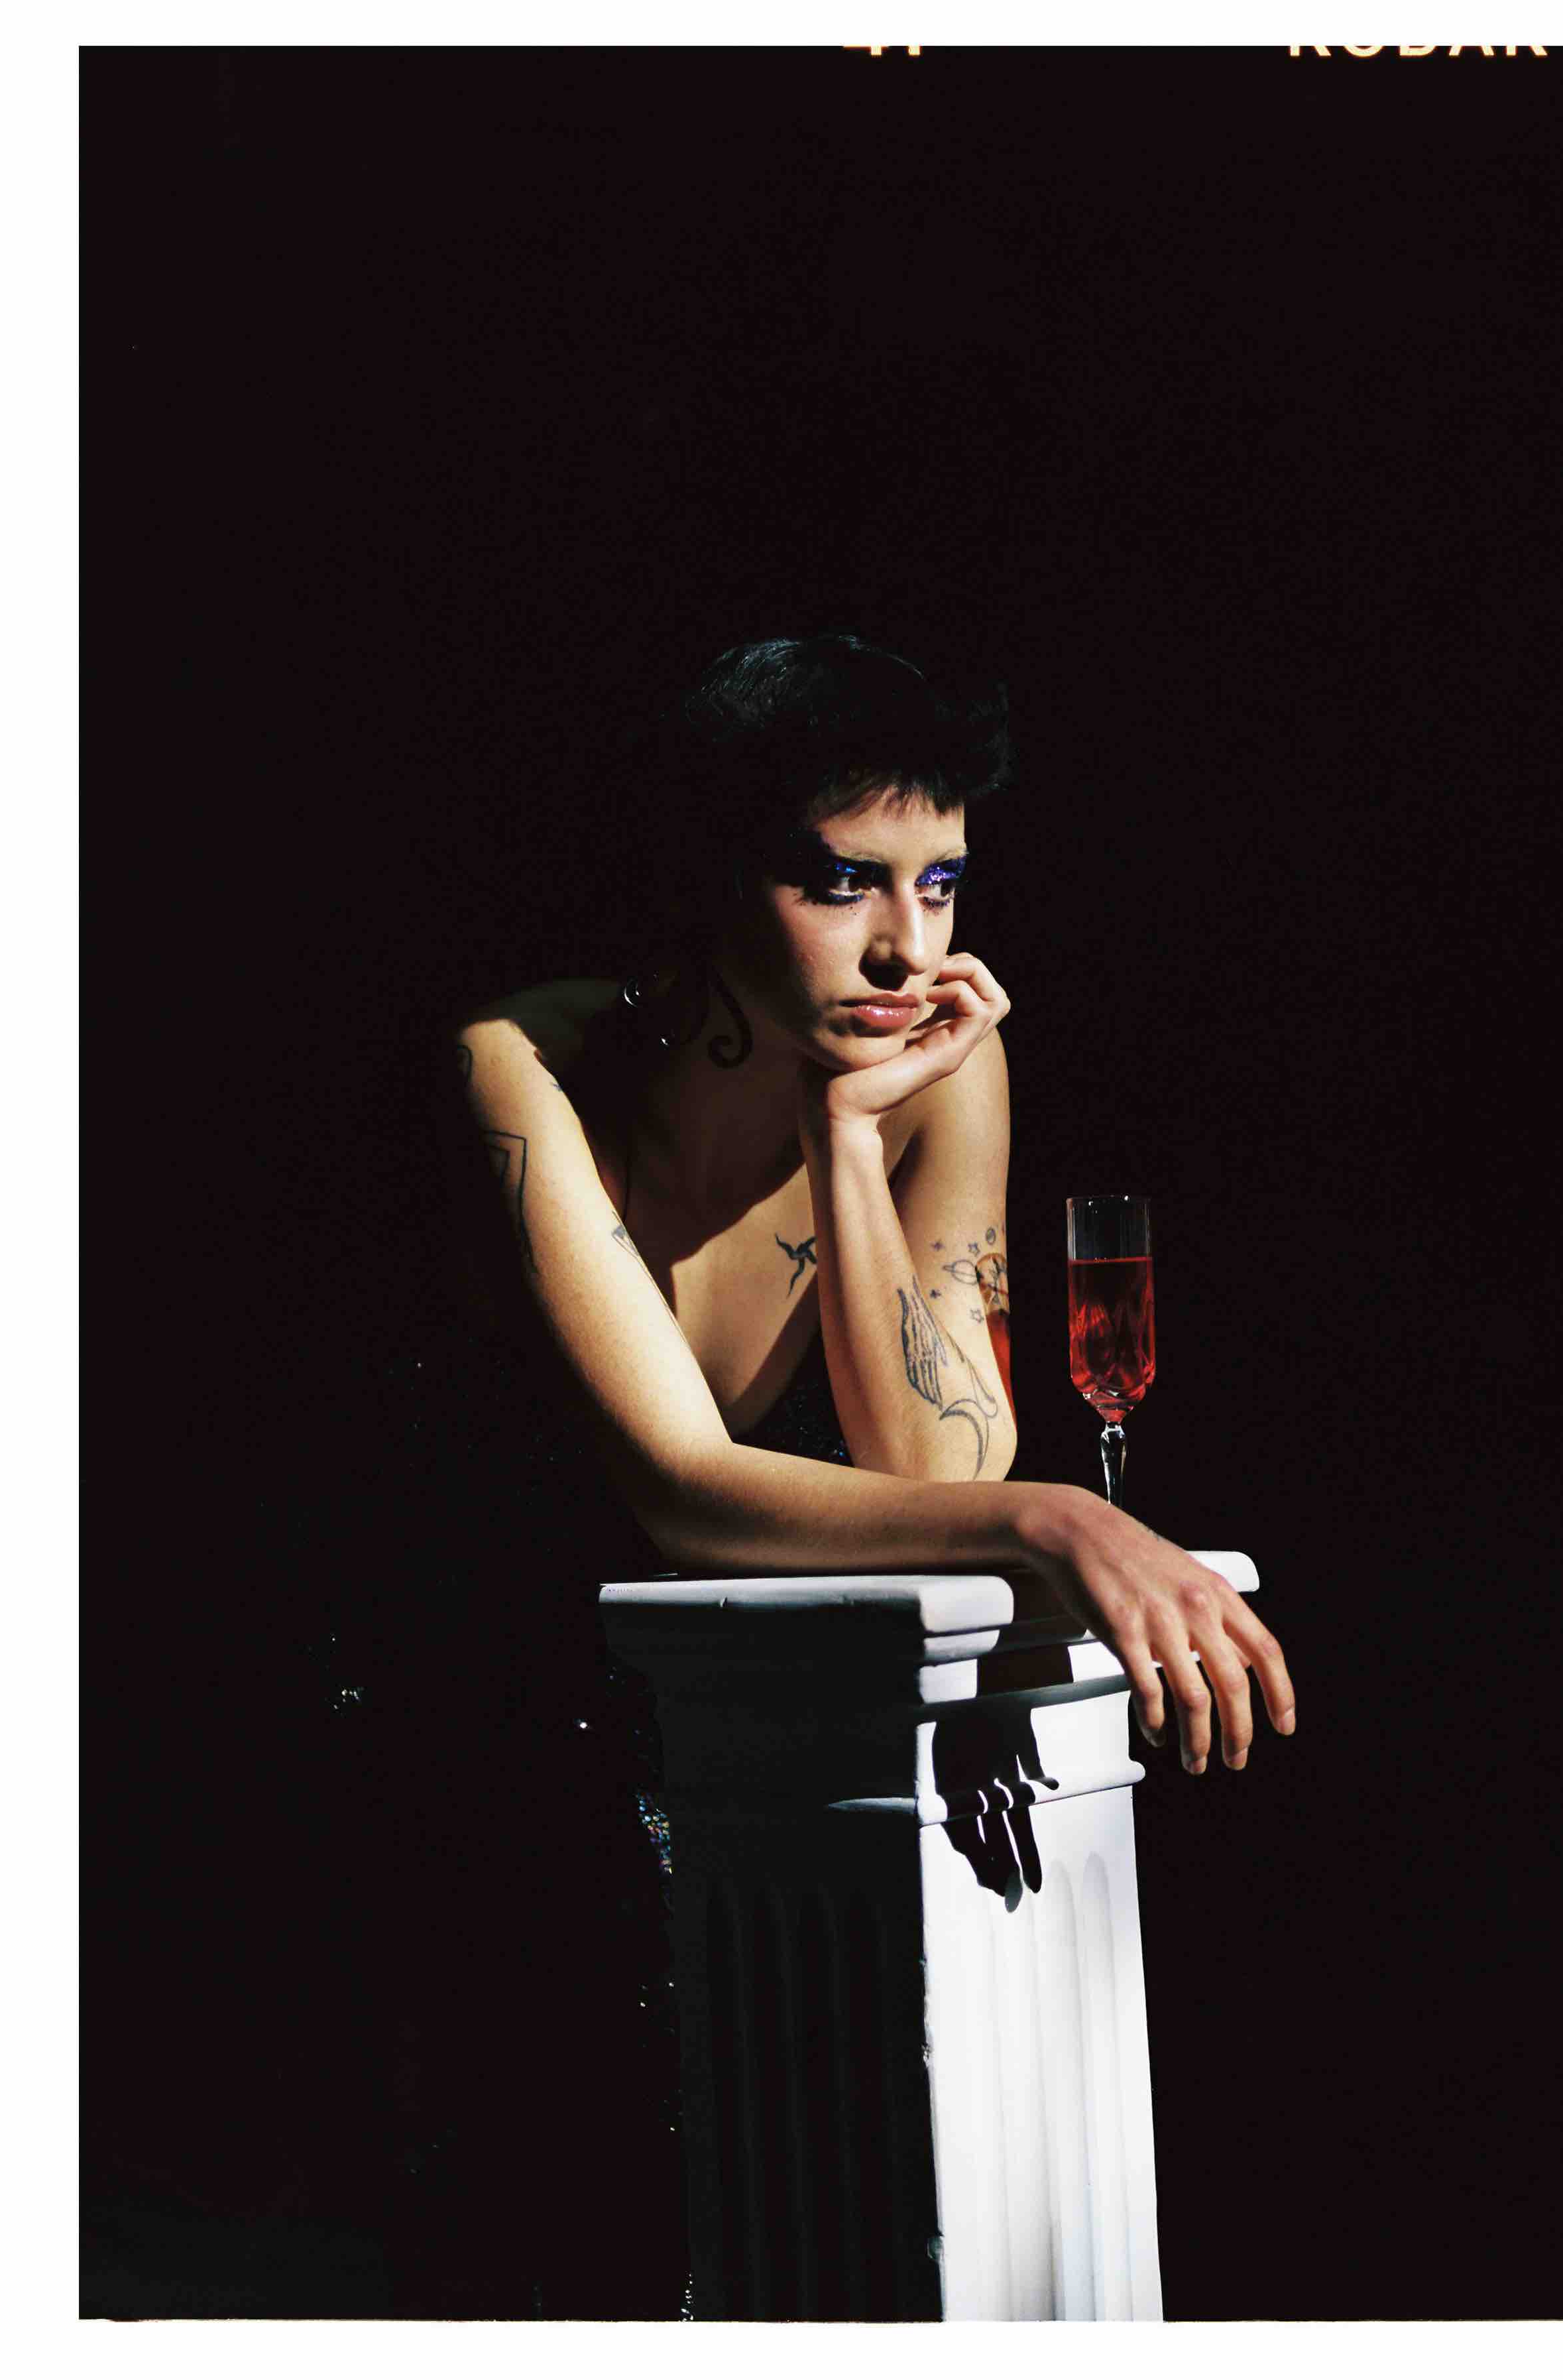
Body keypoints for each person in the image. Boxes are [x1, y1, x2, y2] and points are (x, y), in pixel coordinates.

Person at [447, 632, 1295, 1776]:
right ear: (708, 878)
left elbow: (936, 1477)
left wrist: (843, 1137)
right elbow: (682, 1489)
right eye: (845, 884)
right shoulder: (523, 1065)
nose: (910, 950)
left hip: (752, 1764)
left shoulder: (943, 1072)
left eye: (940, 884)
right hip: (471, 1730)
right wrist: (1058, 1516)